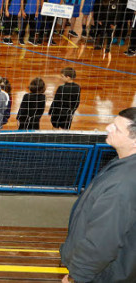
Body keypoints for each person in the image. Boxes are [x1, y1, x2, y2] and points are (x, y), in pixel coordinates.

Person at [60, 107, 136, 283]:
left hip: (102, 275)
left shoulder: (123, 184)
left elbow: (102, 241)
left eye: (116, 128)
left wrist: (76, 277)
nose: (108, 128)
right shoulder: (123, 163)